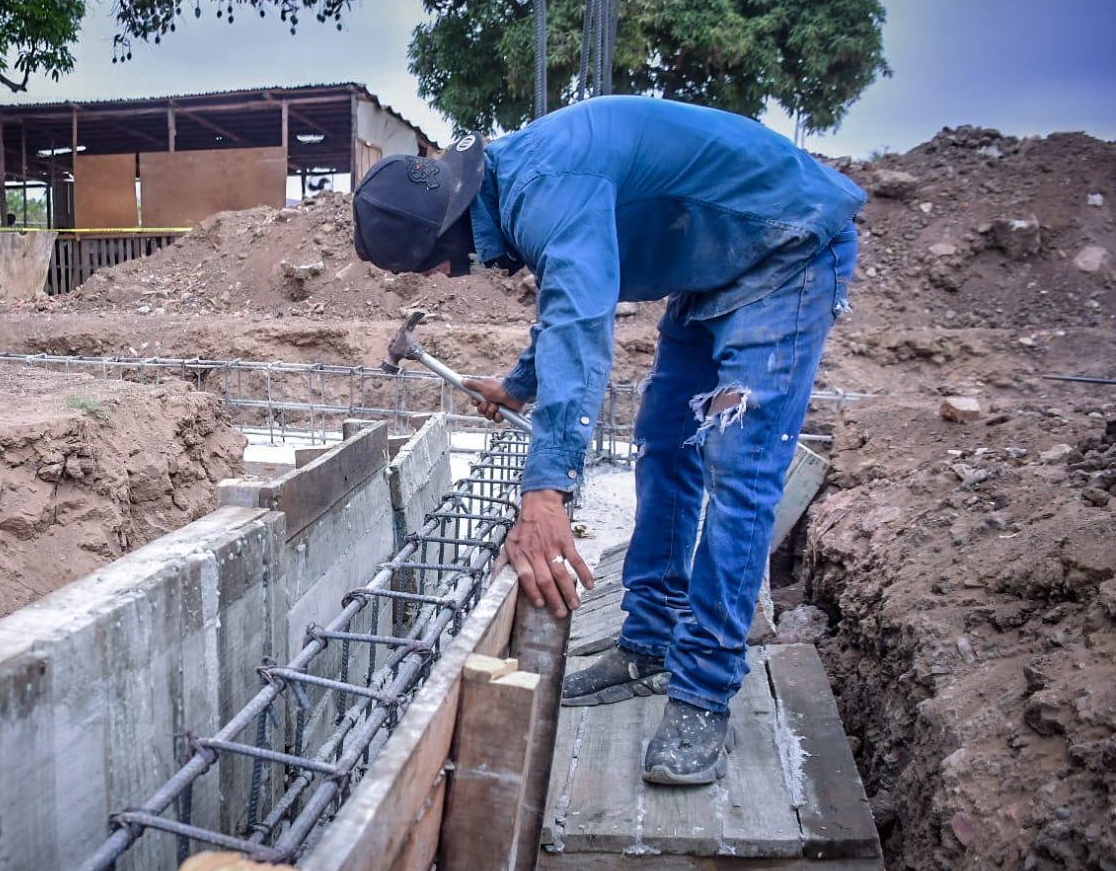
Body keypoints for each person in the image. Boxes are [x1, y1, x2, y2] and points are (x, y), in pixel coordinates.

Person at [350, 96, 863, 786]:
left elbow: (581, 331)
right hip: (709, 270)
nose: (446, 276)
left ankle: (703, 694)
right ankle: (649, 643)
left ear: (446, 235)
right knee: (664, 442)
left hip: (784, 250)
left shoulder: (547, 187)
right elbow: (567, 299)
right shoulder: (519, 179)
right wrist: (519, 384)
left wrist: (545, 490)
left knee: (739, 467)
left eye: (433, 266)